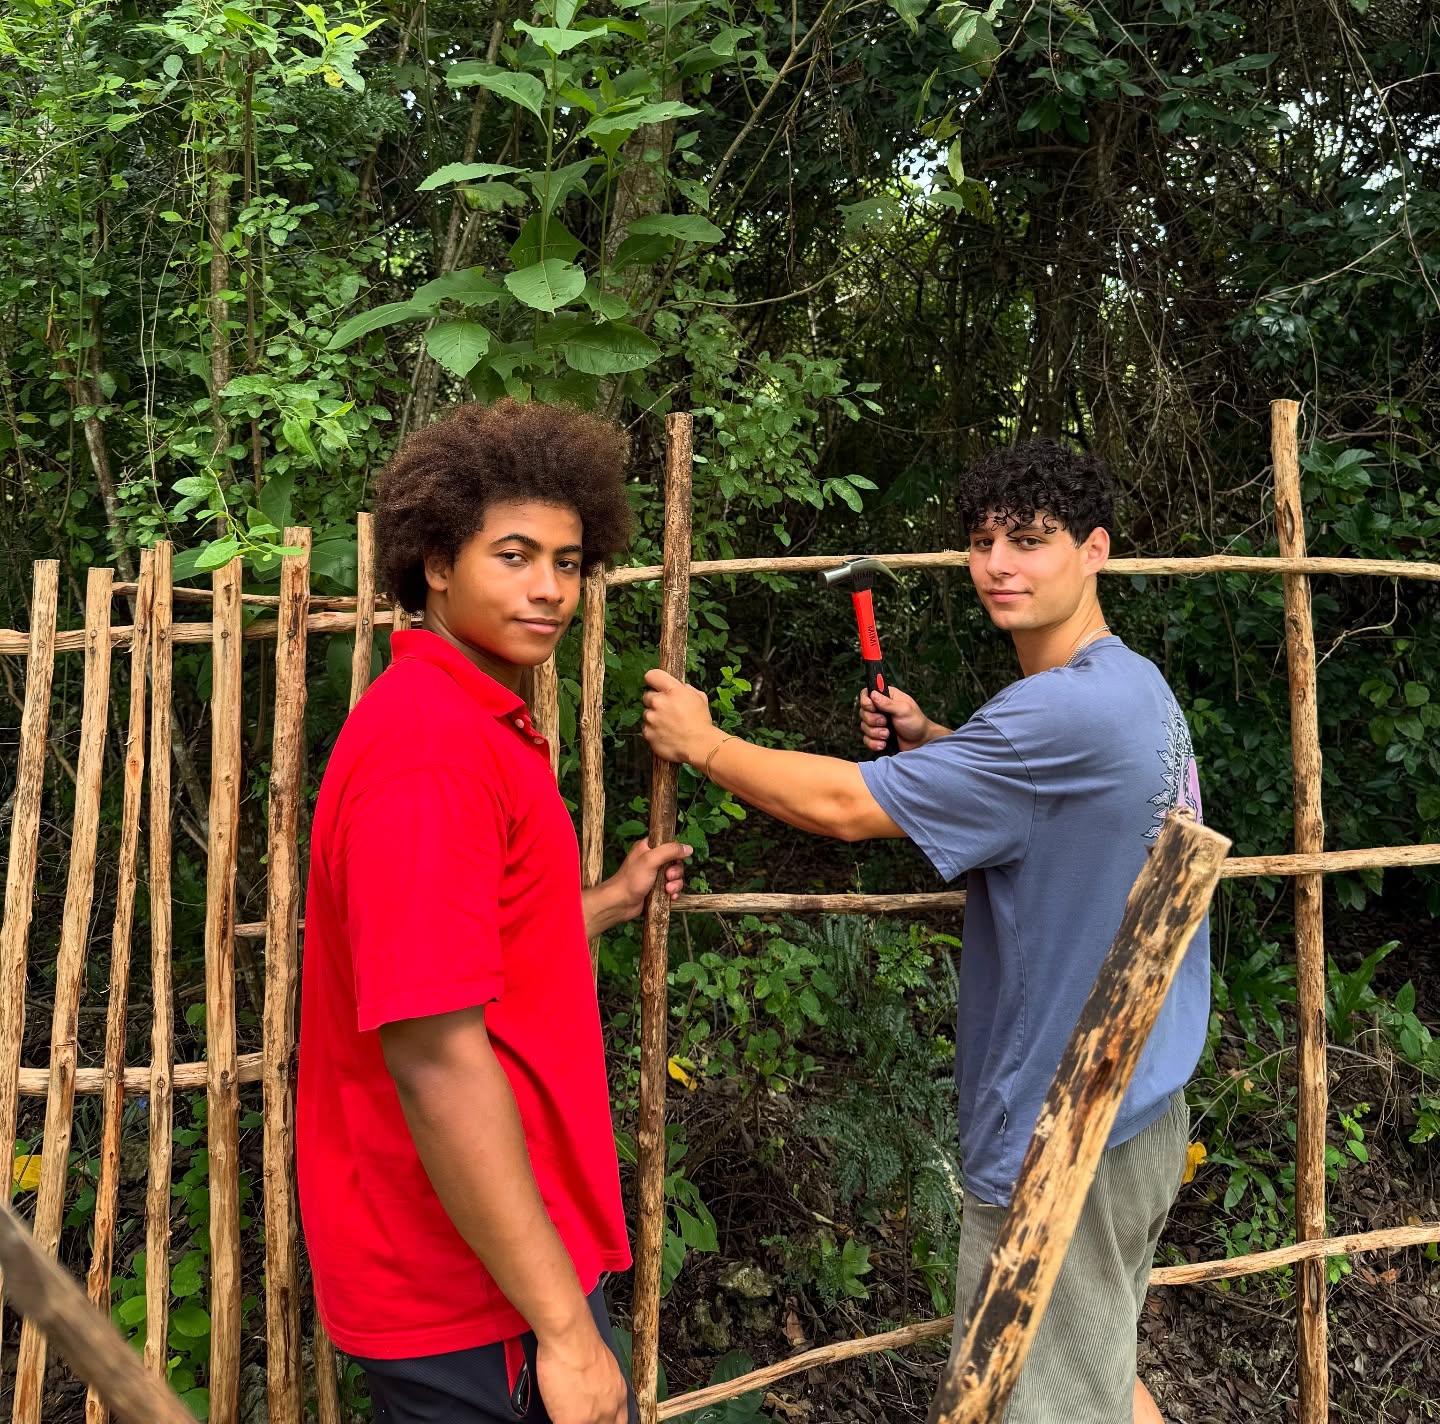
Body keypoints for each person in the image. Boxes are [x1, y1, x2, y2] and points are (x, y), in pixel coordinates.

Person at [641, 438, 1207, 1424]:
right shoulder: (1131, 690)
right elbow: (1051, 801)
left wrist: (707, 744)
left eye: (1030, 541)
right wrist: (935, 743)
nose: (998, 564)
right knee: (1094, 1367)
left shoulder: (1052, 719)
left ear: (1095, 550)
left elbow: (845, 808)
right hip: (1144, 1102)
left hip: (1062, 1129)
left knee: (1050, 1401)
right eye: (983, 540)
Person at [298, 400, 690, 1424]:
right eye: (514, 555)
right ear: (435, 561)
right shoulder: (430, 752)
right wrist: (563, 1331)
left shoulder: (467, 721)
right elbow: (433, 1056)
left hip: (500, 1271)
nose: (550, 589)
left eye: (567, 561)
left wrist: (606, 899)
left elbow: (480, 948)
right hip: (477, 1294)